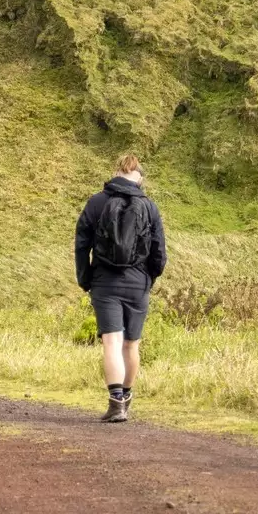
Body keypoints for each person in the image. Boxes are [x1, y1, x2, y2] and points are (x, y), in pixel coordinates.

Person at [75, 155, 168, 423]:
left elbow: (82, 245)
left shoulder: (96, 202)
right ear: (139, 177)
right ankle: (126, 399)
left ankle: (115, 404)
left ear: (117, 172)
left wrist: (85, 279)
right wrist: (149, 278)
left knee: (112, 343)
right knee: (131, 345)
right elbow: (159, 251)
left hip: (104, 282)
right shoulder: (149, 206)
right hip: (138, 282)